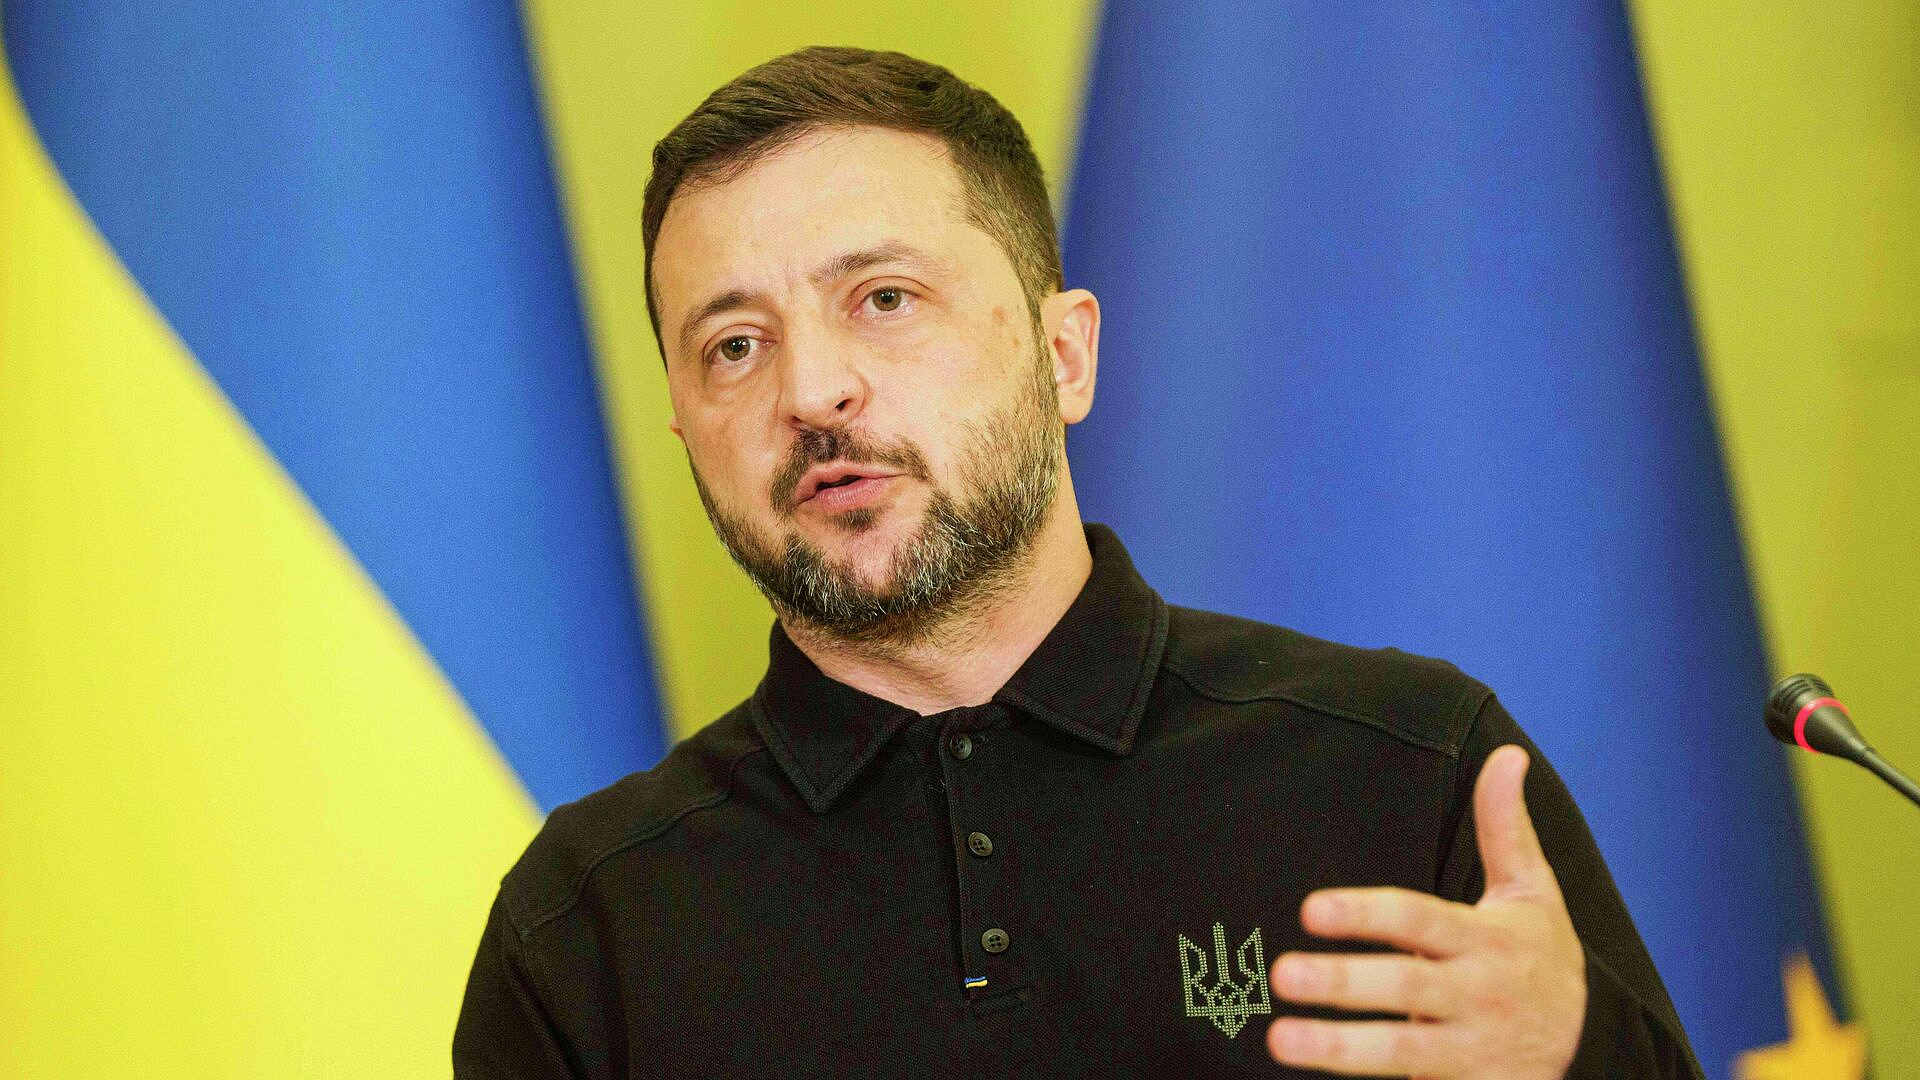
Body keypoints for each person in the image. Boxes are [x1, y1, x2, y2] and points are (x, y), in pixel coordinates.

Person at [454, 46, 1703, 1079]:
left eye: (884, 298)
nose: (811, 390)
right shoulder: (588, 929)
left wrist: (1580, 1058)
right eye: (734, 344)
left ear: (1065, 356)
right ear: (686, 428)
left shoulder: (1406, 772)